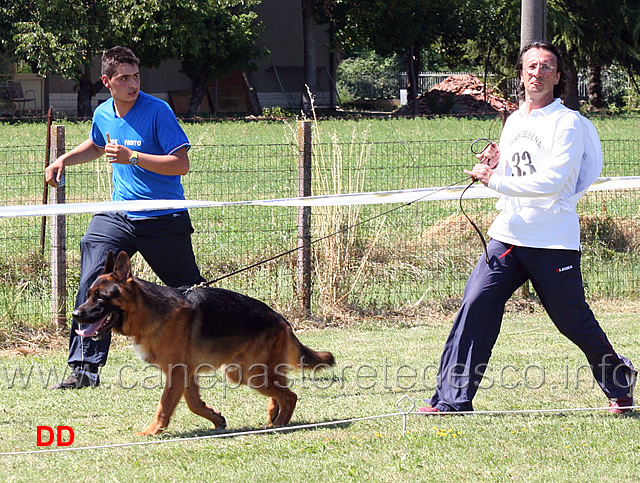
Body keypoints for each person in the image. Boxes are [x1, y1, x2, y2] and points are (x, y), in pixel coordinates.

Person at [419, 41, 636, 414]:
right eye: (531, 66)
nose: (538, 72)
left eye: (547, 67)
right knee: (475, 305)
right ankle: (452, 400)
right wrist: (496, 164)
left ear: (558, 76)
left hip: (552, 240)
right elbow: (517, 170)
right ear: (521, 73)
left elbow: (554, 181)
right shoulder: (514, 121)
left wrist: (494, 180)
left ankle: (618, 378)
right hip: (507, 236)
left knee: (573, 321)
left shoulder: (567, 123)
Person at [45, 46, 204, 389]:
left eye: (136, 76)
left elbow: (181, 165)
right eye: (124, 78)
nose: (132, 84)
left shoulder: (158, 111)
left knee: (191, 294)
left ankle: (213, 350)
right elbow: (98, 144)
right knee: (94, 281)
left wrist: (133, 157)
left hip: (163, 217)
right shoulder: (103, 113)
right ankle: (84, 369)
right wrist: (63, 160)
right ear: (107, 81)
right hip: (118, 216)